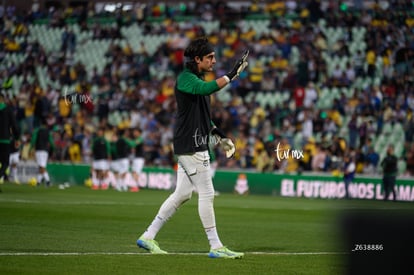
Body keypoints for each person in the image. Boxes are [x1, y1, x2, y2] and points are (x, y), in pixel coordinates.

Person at [137, 37, 248, 259]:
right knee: (206, 193)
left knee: (183, 193)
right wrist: (232, 75)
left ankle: (148, 236)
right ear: (197, 59)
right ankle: (216, 246)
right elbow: (206, 89)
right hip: (192, 144)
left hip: (191, 141)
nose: (214, 61)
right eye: (210, 57)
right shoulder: (186, 79)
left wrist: (218, 135)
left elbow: (203, 116)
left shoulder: (195, 79)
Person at [0, 93, 20, 189]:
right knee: (5, 163)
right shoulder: (8, 110)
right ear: (2, 99)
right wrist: (17, 138)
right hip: (4, 140)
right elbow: (15, 126)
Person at [30, 119, 55, 187]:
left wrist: (31, 148)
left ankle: (48, 181)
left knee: (42, 167)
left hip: (39, 150)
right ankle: (38, 182)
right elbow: (51, 141)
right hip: (45, 151)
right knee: (41, 166)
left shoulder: (37, 130)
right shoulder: (48, 132)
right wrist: (54, 149)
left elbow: (33, 140)